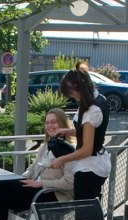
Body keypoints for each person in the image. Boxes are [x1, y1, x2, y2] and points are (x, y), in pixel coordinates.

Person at [51, 64, 112, 203]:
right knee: (90, 213)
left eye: (72, 93)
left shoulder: (91, 111)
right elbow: (90, 132)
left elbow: (86, 150)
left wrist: (62, 159)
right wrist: (69, 131)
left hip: (89, 168)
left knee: (84, 217)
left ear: (77, 87)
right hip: (96, 164)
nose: (73, 97)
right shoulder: (98, 99)